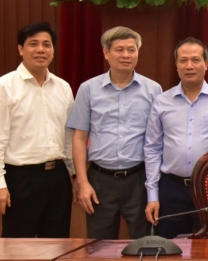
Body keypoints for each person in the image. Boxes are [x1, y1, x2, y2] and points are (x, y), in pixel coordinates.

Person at [68, 27, 162, 239]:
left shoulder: (153, 90)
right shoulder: (88, 89)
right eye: (119, 49)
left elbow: (157, 140)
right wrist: (82, 182)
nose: (126, 55)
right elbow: (79, 138)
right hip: (100, 180)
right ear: (106, 52)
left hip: (139, 179)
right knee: (98, 247)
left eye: (131, 49)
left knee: (144, 244)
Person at [0, 22, 75, 238]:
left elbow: (68, 138)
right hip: (21, 179)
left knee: (57, 246)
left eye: (47, 44)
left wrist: (74, 176)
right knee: (17, 247)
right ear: (20, 49)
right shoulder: (3, 87)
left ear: (53, 51)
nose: (41, 49)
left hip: (58, 178)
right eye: (33, 44)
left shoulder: (63, 87)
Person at [144, 38, 208, 238]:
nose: (189, 66)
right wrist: (152, 196)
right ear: (176, 65)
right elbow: (152, 149)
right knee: (169, 249)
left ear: (206, 64)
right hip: (171, 189)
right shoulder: (161, 102)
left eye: (195, 60)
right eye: (183, 60)